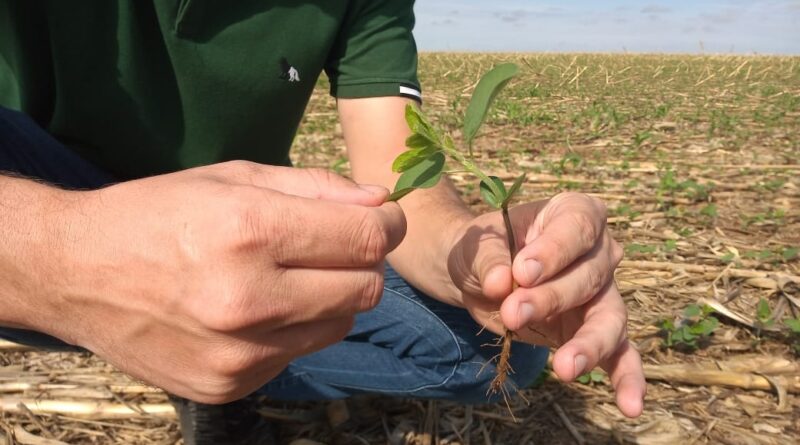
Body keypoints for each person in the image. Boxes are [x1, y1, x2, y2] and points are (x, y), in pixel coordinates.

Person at [0, 1, 646, 443]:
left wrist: (471, 251)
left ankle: (223, 365)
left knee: (500, 349)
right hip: (39, 196)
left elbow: (398, 170)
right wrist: (61, 257)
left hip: (239, 230)